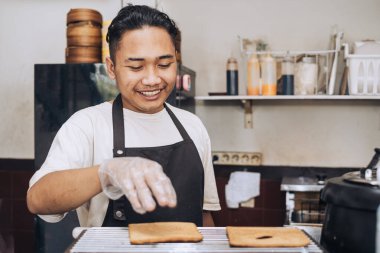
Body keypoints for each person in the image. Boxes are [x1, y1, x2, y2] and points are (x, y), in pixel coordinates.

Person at [27, 4, 220, 227]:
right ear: (111, 68)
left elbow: (205, 216)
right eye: (136, 67)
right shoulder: (87, 125)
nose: (152, 79)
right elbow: (37, 200)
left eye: (164, 64)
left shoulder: (192, 126)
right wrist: (107, 172)